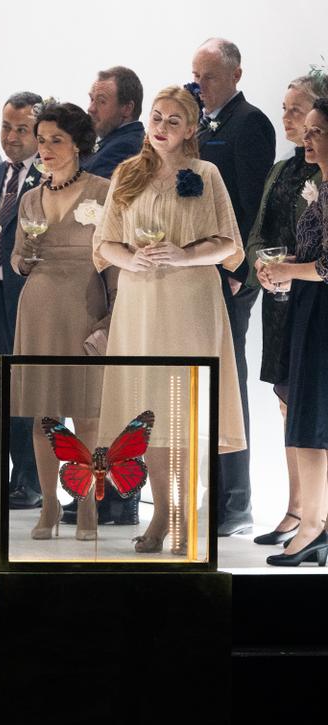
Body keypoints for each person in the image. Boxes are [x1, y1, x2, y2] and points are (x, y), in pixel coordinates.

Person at [92, 86, 247, 555]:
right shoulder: (126, 174)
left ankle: (182, 514)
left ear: (191, 129)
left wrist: (183, 256)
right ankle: (161, 511)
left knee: (186, 413)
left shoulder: (207, 174)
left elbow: (229, 245)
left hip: (191, 303)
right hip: (140, 306)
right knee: (150, 415)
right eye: (156, 118)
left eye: (173, 121)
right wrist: (130, 260)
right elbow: (105, 243)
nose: (161, 128)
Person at [9, 102, 115, 541]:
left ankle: (88, 503)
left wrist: (110, 319)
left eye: (56, 140)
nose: (46, 148)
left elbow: (113, 264)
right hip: (37, 311)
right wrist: (24, 260)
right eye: (42, 139)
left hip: (84, 307)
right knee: (43, 418)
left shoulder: (103, 191)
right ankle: (49, 505)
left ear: (78, 144)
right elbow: (16, 258)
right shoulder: (31, 197)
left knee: (86, 414)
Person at [191, 38, 276, 537]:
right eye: (197, 76)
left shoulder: (252, 124)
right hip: (197, 273)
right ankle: (211, 493)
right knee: (206, 379)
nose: (201, 85)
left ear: (236, 75)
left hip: (230, 273)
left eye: (211, 77)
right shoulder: (199, 123)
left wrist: (237, 268)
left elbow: (252, 203)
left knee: (229, 380)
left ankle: (236, 501)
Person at [243, 72, 328, 546]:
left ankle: (313, 516)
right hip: (284, 301)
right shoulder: (283, 170)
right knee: (288, 402)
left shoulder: (324, 177)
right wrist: (263, 264)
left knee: (311, 408)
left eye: (300, 111)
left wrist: (293, 271)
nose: (290, 119)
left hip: (313, 296)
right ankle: (299, 509)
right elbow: (261, 226)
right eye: (288, 109)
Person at [0, 92, 44, 511]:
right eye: (6, 126)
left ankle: (33, 479)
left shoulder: (49, 176)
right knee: (3, 387)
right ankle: (12, 474)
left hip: (30, 295)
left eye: (22, 128)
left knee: (30, 390)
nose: (11, 136)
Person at [84, 66, 146, 178]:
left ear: (127, 109)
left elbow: (84, 189)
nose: (91, 108)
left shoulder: (125, 148)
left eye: (101, 101)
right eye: (92, 99)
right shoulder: (116, 140)